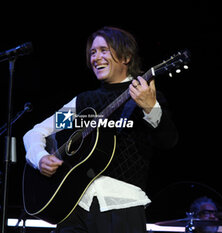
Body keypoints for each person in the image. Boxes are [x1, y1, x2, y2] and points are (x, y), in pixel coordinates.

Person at [23, 26, 178, 233]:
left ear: (126, 56)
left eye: (104, 50)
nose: (96, 57)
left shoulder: (144, 95)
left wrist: (150, 108)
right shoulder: (83, 103)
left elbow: (168, 141)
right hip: (74, 207)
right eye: (93, 52)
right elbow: (36, 132)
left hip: (122, 205)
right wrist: (40, 157)